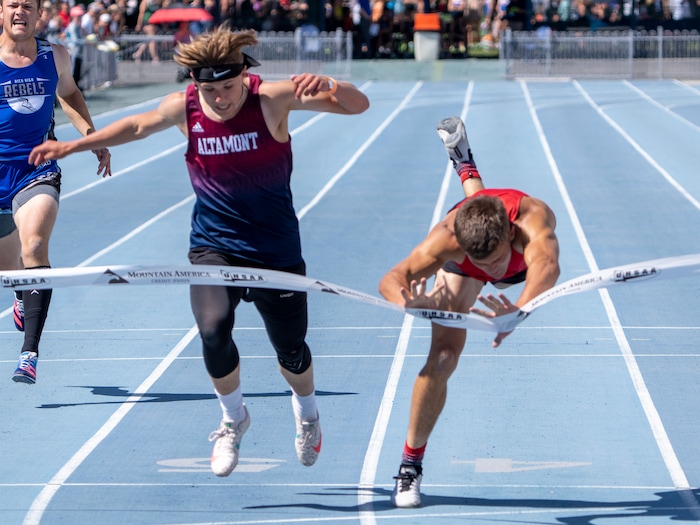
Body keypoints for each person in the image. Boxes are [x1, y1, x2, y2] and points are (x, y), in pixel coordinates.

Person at [29, 26, 370, 476]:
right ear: (196, 85)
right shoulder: (184, 108)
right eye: (210, 90)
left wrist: (332, 85)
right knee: (212, 331)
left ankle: (307, 413)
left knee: (291, 352)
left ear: (244, 75)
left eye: (228, 87)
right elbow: (134, 126)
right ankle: (233, 420)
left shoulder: (271, 98)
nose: (221, 98)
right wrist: (74, 145)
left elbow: (357, 106)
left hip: (275, 250)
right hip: (214, 247)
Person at [378, 116, 560, 508]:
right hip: (465, 258)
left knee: (495, 233)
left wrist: (519, 309)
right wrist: (408, 302)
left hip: (520, 264)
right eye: (484, 265)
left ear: (510, 235)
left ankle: (465, 165)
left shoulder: (532, 221)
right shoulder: (448, 239)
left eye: (494, 263)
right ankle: (410, 465)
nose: (491, 274)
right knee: (442, 358)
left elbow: (547, 268)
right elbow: (392, 278)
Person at [0, 0, 111, 384]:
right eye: (12, 4)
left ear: (39, 15)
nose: (20, 12)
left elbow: (70, 94)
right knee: (8, 268)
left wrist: (91, 136)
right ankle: (19, 295)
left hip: (37, 168)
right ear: (0, 12)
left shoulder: (56, 55)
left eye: (27, 6)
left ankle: (29, 353)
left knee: (34, 248)